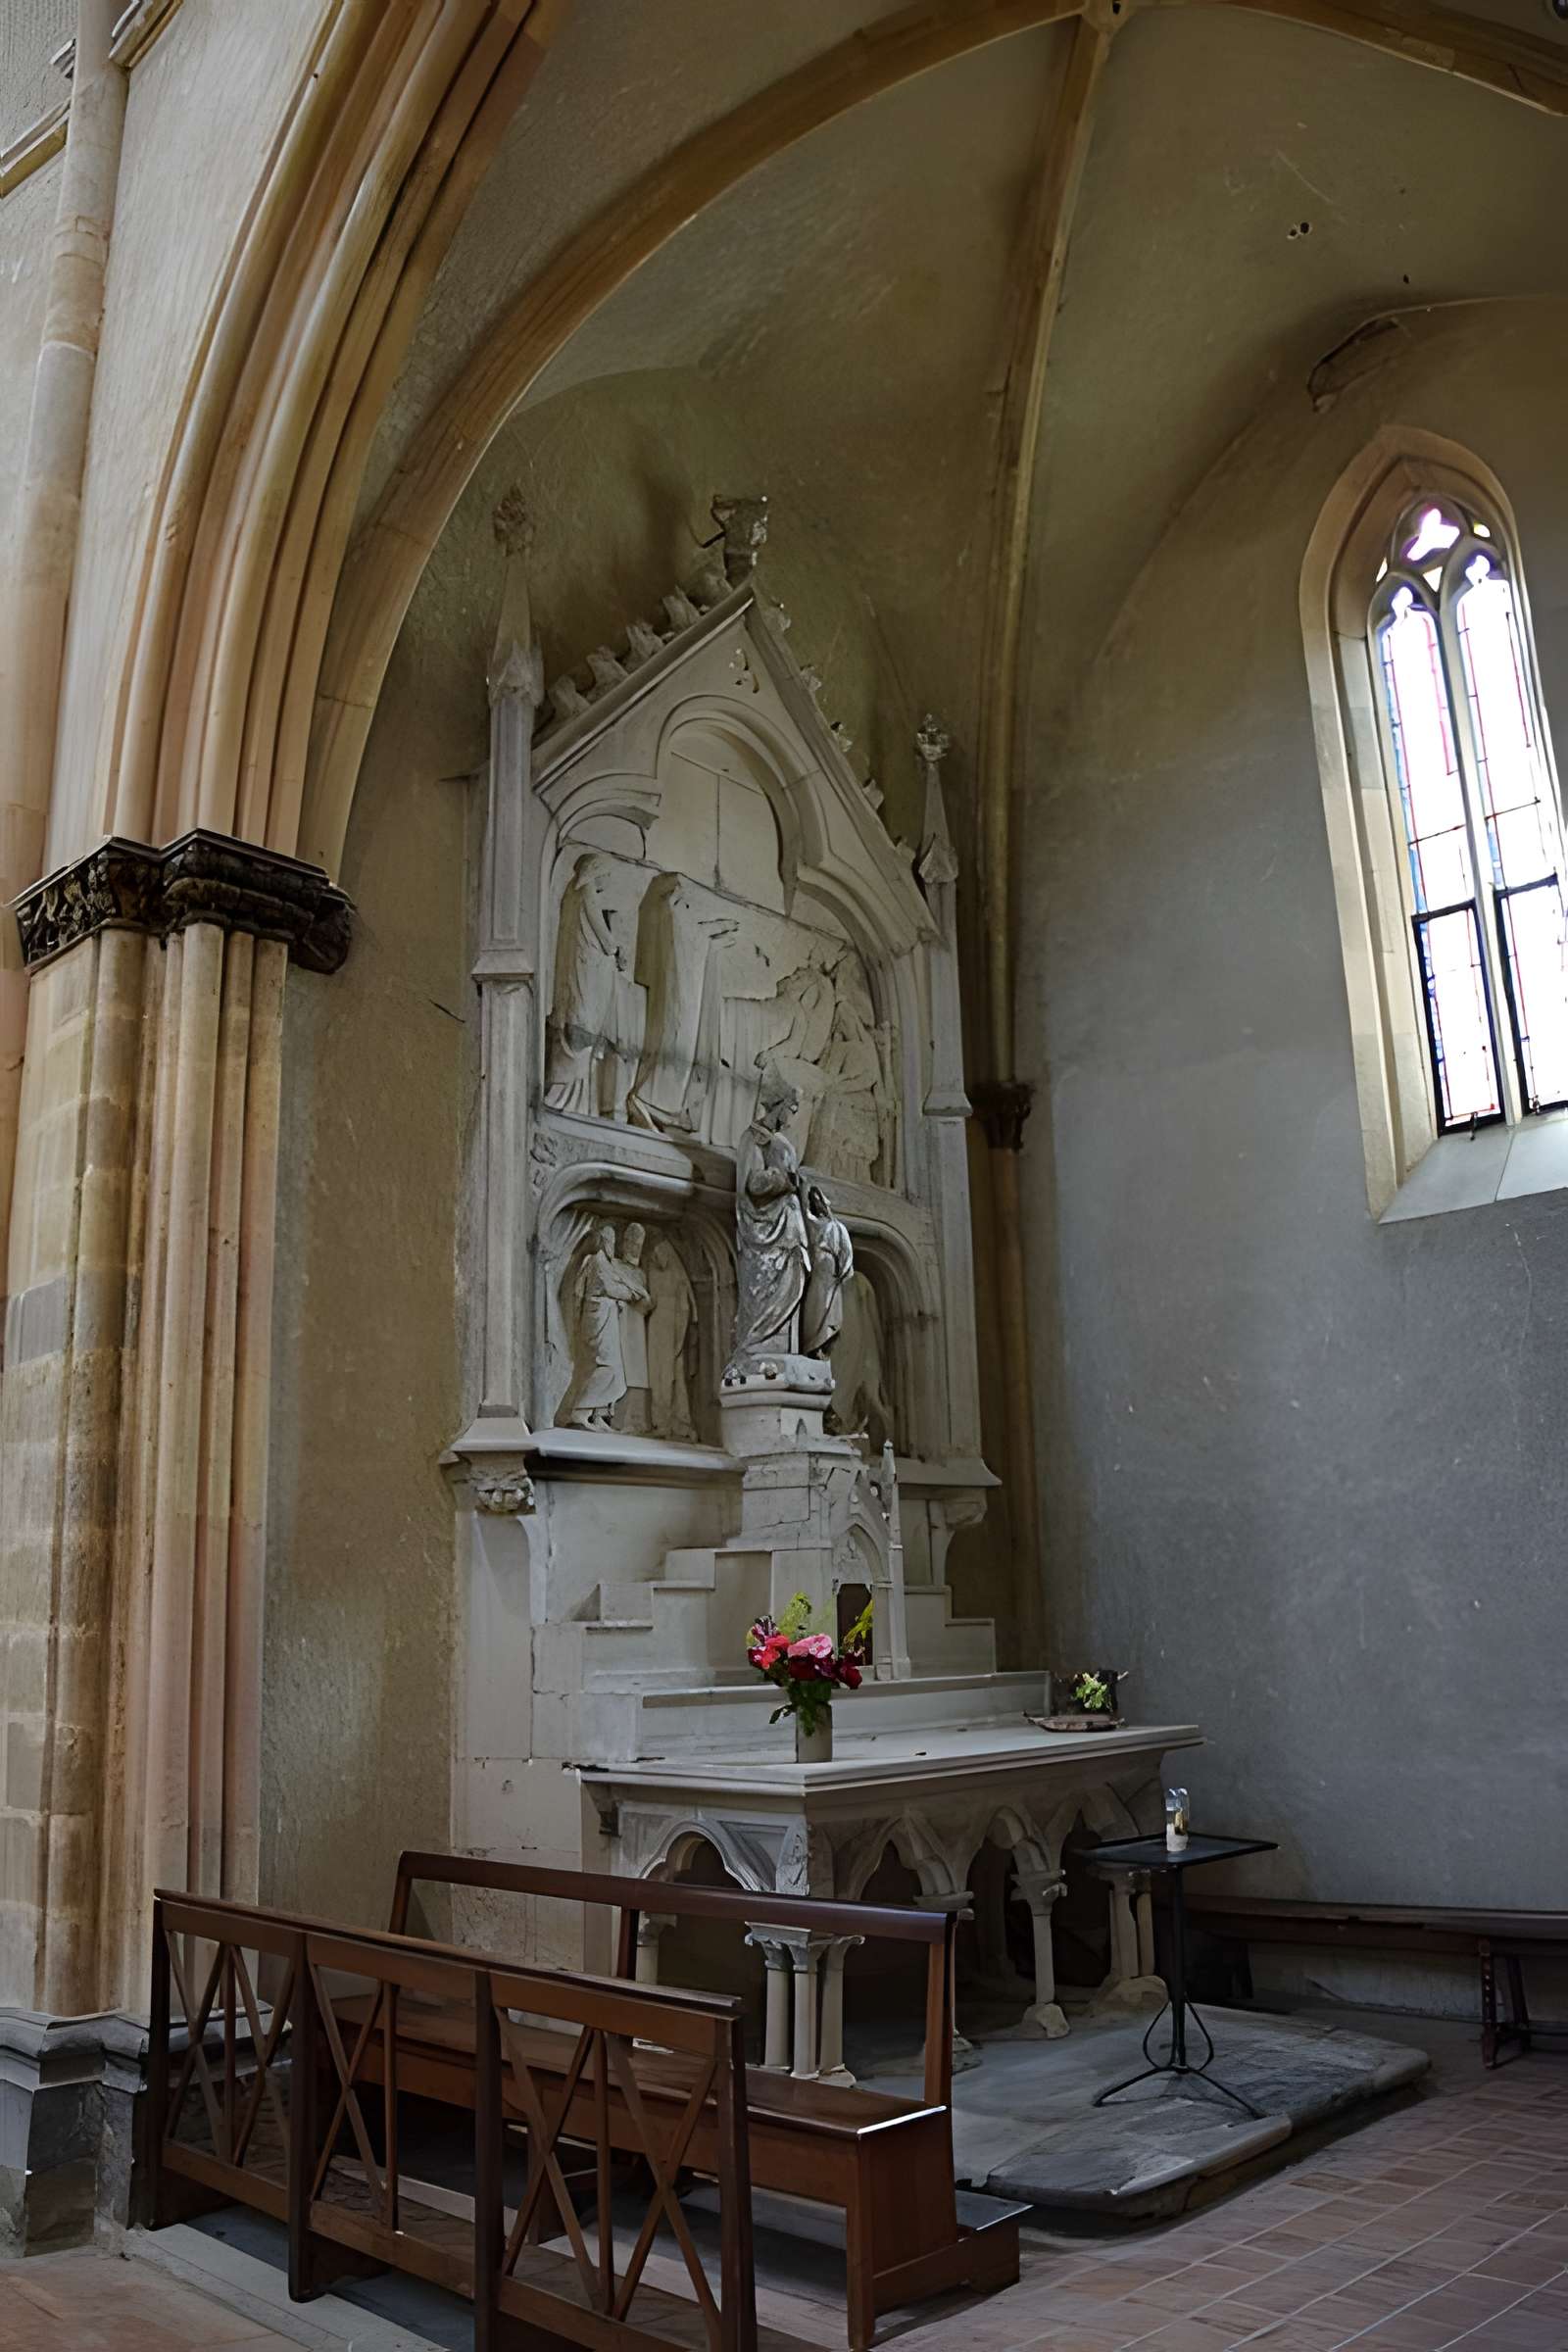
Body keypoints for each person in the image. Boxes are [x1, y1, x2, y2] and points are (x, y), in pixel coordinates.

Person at [731, 1068, 810, 1366]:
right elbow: (752, 1183)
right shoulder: (754, 1138)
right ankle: (757, 1352)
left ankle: (785, 1351)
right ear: (779, 1105)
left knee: (794, 1286)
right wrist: (786, 1180)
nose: (794, 1115)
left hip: (789, 1228)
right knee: (764, 1293)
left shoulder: (778, 1140)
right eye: (793, 1108)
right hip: (766, 1230)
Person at [544, 855, 620, 1114]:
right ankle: (568, 1096)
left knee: (579, 1019)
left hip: (578, 967)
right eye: (605, 874)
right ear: (596, 871)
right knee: (583, 1021)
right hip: (585, 968)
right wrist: (617, 949)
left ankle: (576, 1097)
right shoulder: (586, 891)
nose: (606, 880)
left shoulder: (571, 891)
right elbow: (604, 936)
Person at [565, 1222, 646, 1429]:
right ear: (603, 1241)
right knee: (609, 1369)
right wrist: (634, 1294)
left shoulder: (606, 1263)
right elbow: (610, 1288)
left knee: (613, 1371)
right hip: (598, 1320)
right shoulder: (597, 1262)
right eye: (610, 1241)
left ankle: (598, 1415)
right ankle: (579, 1411)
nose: (612, 1245)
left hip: (607, 1320)